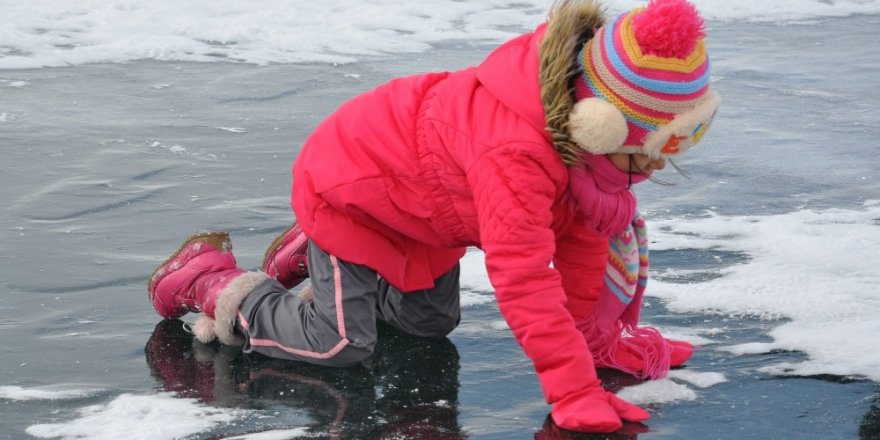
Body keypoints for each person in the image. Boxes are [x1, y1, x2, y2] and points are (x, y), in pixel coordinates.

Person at [145, 0, 720, 433]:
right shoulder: (515, 155)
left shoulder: (585, 148)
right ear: (600, 122)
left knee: (427, 324)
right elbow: (524, 278)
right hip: (353, 194)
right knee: (340, 346)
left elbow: (582, 241)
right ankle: (213, 280)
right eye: (643, 151)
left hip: (418, 209)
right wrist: (570, 391)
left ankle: (312, 254)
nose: (649, 167)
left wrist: (594, 345)